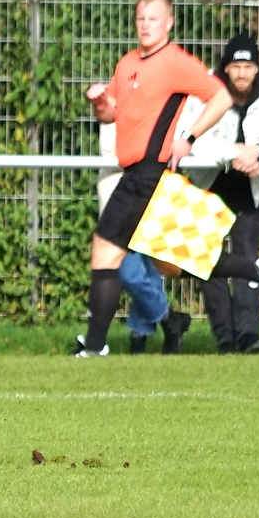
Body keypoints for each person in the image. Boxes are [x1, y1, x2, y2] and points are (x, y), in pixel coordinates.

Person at [77, 0, 259, 357]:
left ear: (169, 23)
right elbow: (112, 114)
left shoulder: (175, 62)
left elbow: (220, 97)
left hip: (148, 174)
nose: (145, 25)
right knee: (171, 263)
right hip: (136, 173)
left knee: (106, 251)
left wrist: (188, 137)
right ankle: (256, 269)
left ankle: (94, 347)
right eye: (141, 18)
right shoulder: (127, 64)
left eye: (153, 18)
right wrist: (101, 103)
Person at [178, 33, 259, 354]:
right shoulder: (204, 89)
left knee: (246, 259)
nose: (242, 74)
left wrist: (258, 151)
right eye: (236, 67)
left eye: (248, 66)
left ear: (258, 67)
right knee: (208, 260)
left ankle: (248, 336)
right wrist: (233, 154)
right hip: (208, 188)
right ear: (225, 68)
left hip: (249, 192)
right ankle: (225, 339)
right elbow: (189, 138)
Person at [97, 123, 184, 354]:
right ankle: (169, 319)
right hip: (121, 197)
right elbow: (115, 150)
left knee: (149, 269)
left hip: (152, 189)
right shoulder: (119, 109)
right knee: (129, 273)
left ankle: (139, 336)